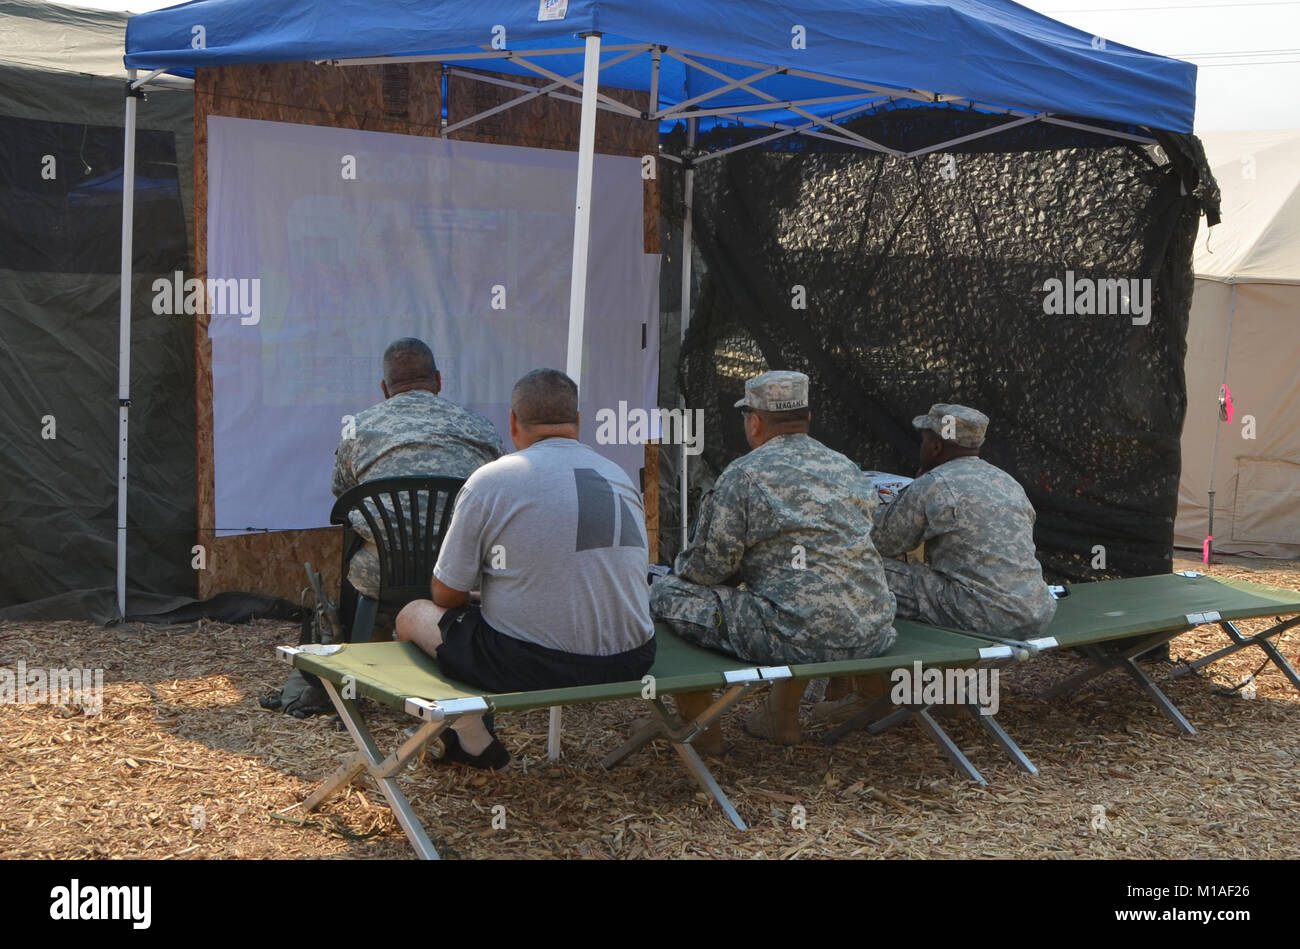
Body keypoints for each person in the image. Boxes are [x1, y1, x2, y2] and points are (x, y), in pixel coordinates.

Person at [395, 369, 656, 770]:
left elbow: (446, 595)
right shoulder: (617, 475)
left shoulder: (493, 479)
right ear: (578, 423)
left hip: (533, 664)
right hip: (634, 657)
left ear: (513, 422)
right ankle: (470, 740)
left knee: (413, 615)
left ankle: (472, 734)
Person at [649, 371, 897, 749]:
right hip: (872, 631)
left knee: (666, 592)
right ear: (808, 418)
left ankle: (698, 727)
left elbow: (704, 570)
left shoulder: (745, 474)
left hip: (794, 638)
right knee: (796, 596)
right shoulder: (848, 469)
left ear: (755, 420)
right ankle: (781, 715)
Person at [331, 337, 504, 609]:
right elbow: (501, 494)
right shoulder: (481, 428)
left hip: (381, 574)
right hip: (462, 577)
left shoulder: (358, 429)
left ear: (385, 389)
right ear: (438, 380)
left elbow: (344, 494)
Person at [870, 403, 1057, 639]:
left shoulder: (935, 484)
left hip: (980, 615)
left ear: (936, 446)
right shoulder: (1007, 481)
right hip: (1037, 612)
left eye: (925, 441)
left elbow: (881, 542)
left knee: (859, 568)